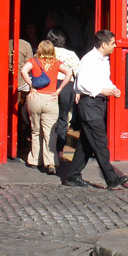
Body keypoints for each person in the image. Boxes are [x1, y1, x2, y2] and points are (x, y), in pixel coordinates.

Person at [63, 29, 128, 189]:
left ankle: (72, 175)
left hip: (98, 104)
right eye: (113, 43)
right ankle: (111, 177)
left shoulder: (103, 59)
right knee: (100, 142)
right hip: (89, 104)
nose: (115, 46)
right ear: (104, 44)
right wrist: (101, 91)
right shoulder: (89, 60)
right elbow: (82, 84)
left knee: (86, 143)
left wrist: (112, 89)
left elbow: (102, 80)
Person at [20, 40, 72, 174]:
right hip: (51, 99)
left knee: (36, 130)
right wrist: (59, 89)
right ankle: (50, 162)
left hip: (35, 98)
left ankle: (34, 159)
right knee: (50, 132)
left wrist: (31, 85)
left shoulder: (33, 61)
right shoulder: (56, 63)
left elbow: (23, 71)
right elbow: (69, 73)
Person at [47, 28, 80, 161]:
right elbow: (78, 73)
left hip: (49, 86)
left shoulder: (45, 53)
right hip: (66, 87)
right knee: (63, 118)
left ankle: (48, 151)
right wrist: (78, 91)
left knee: (48, 119)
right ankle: (60, 151)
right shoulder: (71, 54)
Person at [10, 37, 33, 154]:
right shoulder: (25, 44)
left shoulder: (5, 43)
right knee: (24, 115)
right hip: (23, 84)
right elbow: (30, 65)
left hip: (14, 83)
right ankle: (23, 139)